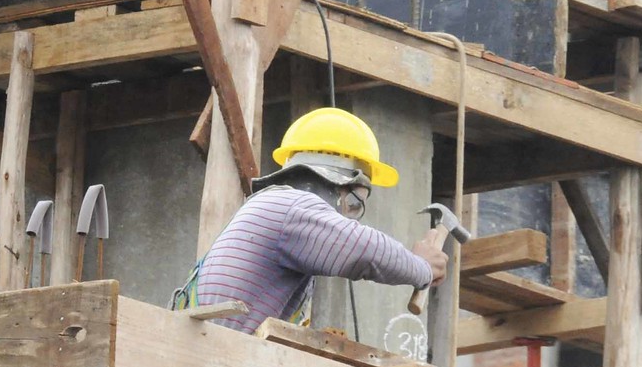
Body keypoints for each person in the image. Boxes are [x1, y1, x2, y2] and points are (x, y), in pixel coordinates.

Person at [172, 107, 448, 334]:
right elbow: (362, 250)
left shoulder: (278, 209)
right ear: (335, 182)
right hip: (214, 361)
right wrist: (421, 267)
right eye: (354, 202)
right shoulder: (291, 207)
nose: (347, 215)